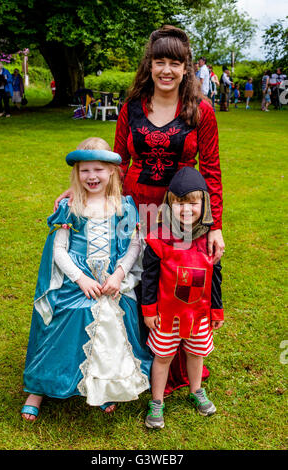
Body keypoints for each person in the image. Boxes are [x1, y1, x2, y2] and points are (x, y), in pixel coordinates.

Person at [54, 25, 225, 396]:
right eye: (159, 61)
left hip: (182, 214)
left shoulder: (202, 111)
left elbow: (210, 169)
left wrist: (215, 226)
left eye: (174, 63)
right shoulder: (131, 109)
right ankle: (129, 362)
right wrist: (75, 191)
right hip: (133, 207)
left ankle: (177, 364)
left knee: (174, 281)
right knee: (133, 280)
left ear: (186, 67)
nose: (166, 70)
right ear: (149, 65)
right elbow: (114, 161)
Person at [21, 137, 152, 422]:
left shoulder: (124, 206)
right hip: (75, 282)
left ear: (112, 172)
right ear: (76, 174)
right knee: (67, 318)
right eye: (85, 171)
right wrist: (81, 279)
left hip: (111, 281)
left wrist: (118, 275)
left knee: (116, 319)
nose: (92, 176)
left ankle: (106, 385)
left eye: (99, 170)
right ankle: (38, 389)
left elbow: (133, 245)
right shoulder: (70, 207)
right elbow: (59, 250)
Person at [141, 167, 224, 429]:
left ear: (205, 204)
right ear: (169, 205)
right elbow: (149, 277)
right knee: (163, 356)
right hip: (166, 315)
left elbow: (215, 278)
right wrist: (149, 309)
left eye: (193, 202)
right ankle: (156, 401)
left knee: (196, 353)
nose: (186, 209)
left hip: (198, 314)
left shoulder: (209, 240)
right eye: (179, 203)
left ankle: (196, 390)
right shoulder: (159, 238)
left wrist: (216, 310)